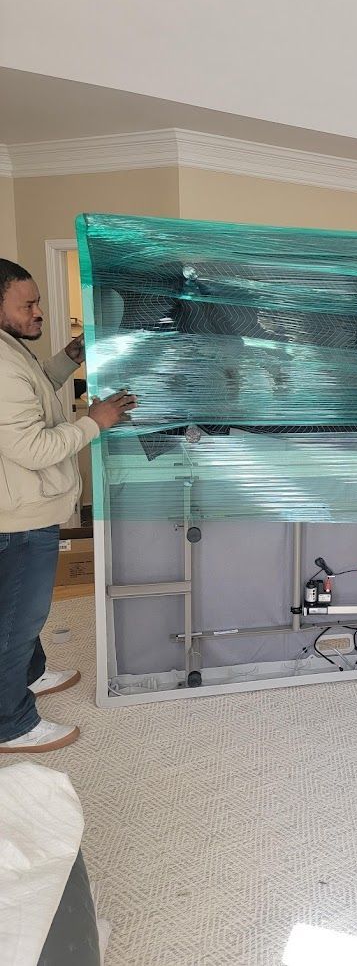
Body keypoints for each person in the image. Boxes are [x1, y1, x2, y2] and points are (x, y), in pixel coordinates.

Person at [0, 259, 137, 754]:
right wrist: (95, 421)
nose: (38, 312)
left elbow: (34, 388)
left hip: (23, 508)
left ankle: (30, 674)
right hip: (19, 518)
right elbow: (33, 448)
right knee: (15, 622)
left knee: (18, 611)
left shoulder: (10, 349)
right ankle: (10, 724)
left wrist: (69, 358)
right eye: (28, 305)